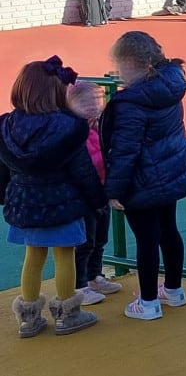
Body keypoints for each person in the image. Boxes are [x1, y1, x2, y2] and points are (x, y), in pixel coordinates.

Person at [2, 57, 105, 337]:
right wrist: (98, 201)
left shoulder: (5, 127)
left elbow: (2, 170)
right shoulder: (70, 126)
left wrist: (7, 197)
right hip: (62, 202)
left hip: (24, 202)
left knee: (33, 256)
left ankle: (28, 317)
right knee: (64, 254)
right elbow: (83, 170)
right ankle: (67, 314)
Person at [103, 32, 186, 320]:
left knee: (146, 238)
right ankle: (173, 289)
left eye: (120, 66)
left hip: (141, 180)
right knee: (168, 230)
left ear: (133, 63)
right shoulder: (169, 85)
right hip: (169, 172)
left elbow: (124, 150)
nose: (118, 73)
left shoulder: (131, 104)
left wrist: (114, 189)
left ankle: (147, 303)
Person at [68, 81, 122, 306]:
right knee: (85, 241)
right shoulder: (74, 130)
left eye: (97, 106)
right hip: (84, 196)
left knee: (100, 237)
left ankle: (94, 276)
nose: (93, 111)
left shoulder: (99, 127)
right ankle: (80, 284)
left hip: (101, 191)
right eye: (88, 107)